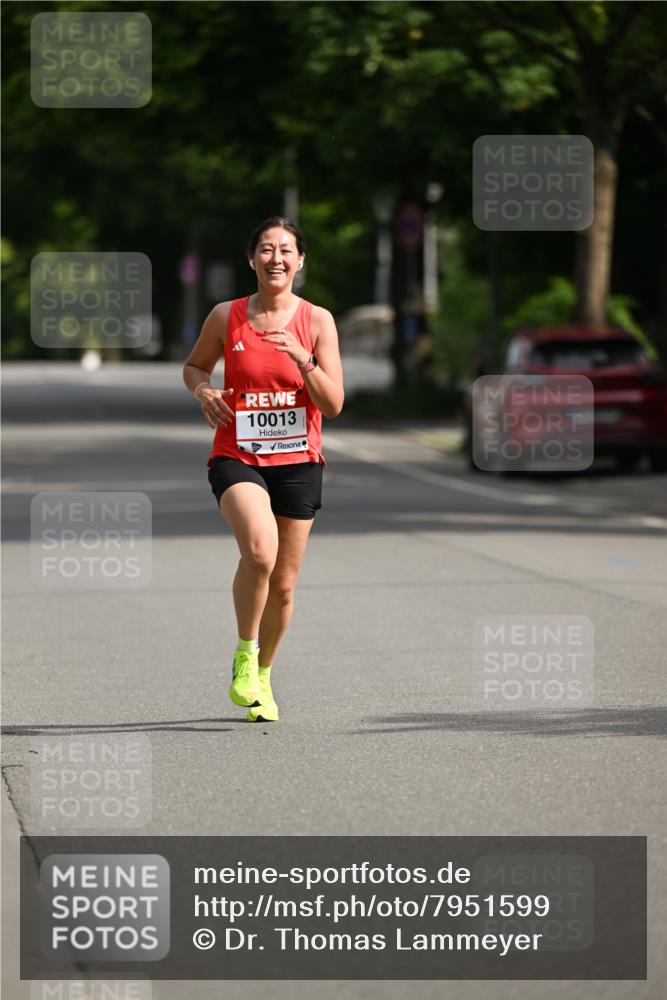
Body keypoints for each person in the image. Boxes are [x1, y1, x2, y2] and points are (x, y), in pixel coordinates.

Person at [183, 217, 344, 722]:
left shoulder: (317, 321)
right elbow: (194, 366)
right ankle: (244, 653)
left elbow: (333, 404)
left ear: (301, 261)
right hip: (238, 455)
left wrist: (304, 361)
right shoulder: (225, 316)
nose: (276, 258)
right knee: (258, 551)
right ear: (251, 259)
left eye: (286, 250)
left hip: (298, 462)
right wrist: (203, 390)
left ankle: (264, 676)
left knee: (284, 584)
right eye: (267, 249)